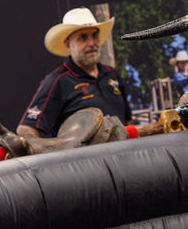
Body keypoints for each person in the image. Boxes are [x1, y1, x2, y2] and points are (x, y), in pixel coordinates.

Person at [18, 7, 132, 139]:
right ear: (68, 45)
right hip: (83, 160)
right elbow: (26, 130)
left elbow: (128, 122)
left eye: (94, 36)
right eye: (83, 37)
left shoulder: (112, 74)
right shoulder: (58, 81)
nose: (91, 43)